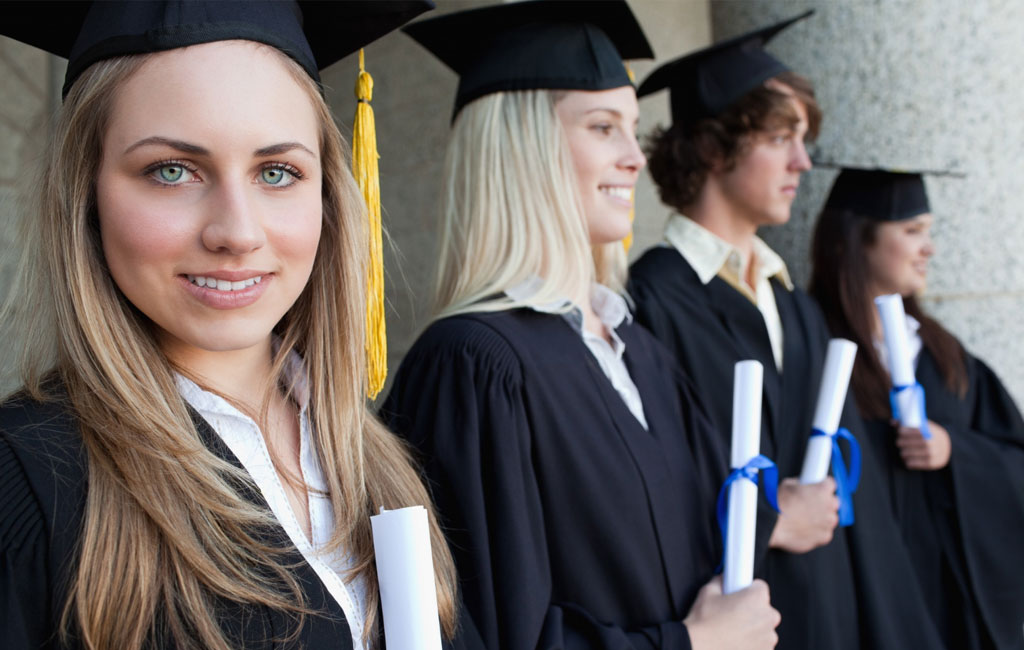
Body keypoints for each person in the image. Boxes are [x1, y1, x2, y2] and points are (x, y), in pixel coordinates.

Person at [0, 2, 484, 649]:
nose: (237, 232)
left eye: (277, 172)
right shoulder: (29, 486)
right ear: (84, 194)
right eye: (171, 170)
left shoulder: (370, 456)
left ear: (329, 196)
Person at [381, 2, 781, 649]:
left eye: (632, 127)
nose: (635, 156)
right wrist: (692, 643)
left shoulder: (636, 349)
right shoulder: (473, 365)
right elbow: (496, 630)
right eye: (603, 127)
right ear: (522, 148)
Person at [628, 13, 945, 650]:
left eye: (803, 140)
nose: (804, 161)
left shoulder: (787, 298)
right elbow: (645, 482)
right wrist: (770, 518)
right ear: (716, 146)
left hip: (828, 607)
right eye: (781, 138)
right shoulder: (649, 301)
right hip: (736, 617)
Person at [809, 167, 1024, 650]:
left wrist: (956, 451)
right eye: (911, 231)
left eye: (929, 231)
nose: (929, 248)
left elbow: (1016, 460)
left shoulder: (945, 354)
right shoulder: (817, 350)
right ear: (855, 239)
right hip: (864, 605)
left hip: (950, 609)